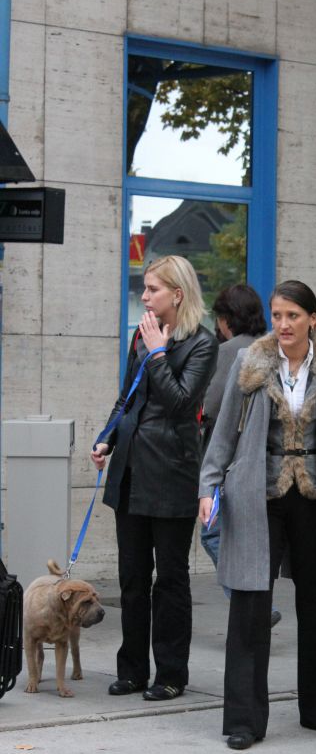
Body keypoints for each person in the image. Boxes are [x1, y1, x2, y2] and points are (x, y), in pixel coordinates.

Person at [198, 279, 316, 750]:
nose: (283, 324)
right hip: (255, 494)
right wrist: (209, 484)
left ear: (313, 320)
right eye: (277, 315)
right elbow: (223, 431)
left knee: (315, 602)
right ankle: (244, 720)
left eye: (293, 316)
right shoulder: (251, 363)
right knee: (249, 603)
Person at [91, 255, 218, 701]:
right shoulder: (139, 337)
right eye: (145, 289)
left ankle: (170, 674)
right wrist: (106, 437)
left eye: (152, 289)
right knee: (131, 578)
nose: (144, 297)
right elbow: (126, 397)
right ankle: (132, 670)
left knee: (170, 579)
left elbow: (183, 403)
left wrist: (159, 352)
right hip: (130, 470)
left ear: (177, 294)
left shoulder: (202, 344)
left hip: (172, 474)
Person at [200, 283, 281, 627]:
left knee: (213, 533)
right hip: (267, 460)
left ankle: (251, 605)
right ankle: (255, 604)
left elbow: (211, 408)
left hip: (231, 460)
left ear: (225, 319)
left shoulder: (231, 351)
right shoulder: (273, 348)